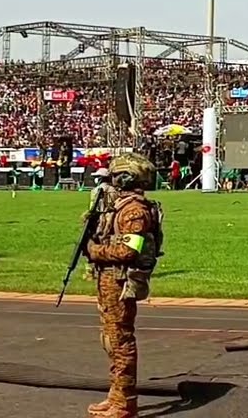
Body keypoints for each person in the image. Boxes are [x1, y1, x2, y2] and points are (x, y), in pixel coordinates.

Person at [86, 153, 164, 418]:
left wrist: (94, 250)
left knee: (121, 340)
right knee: (111, 339)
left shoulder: (134, 211)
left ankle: (125, 403)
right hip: (110, 280)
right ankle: (116, 394)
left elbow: (128, 250)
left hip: (121, 281)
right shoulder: (120, 206)